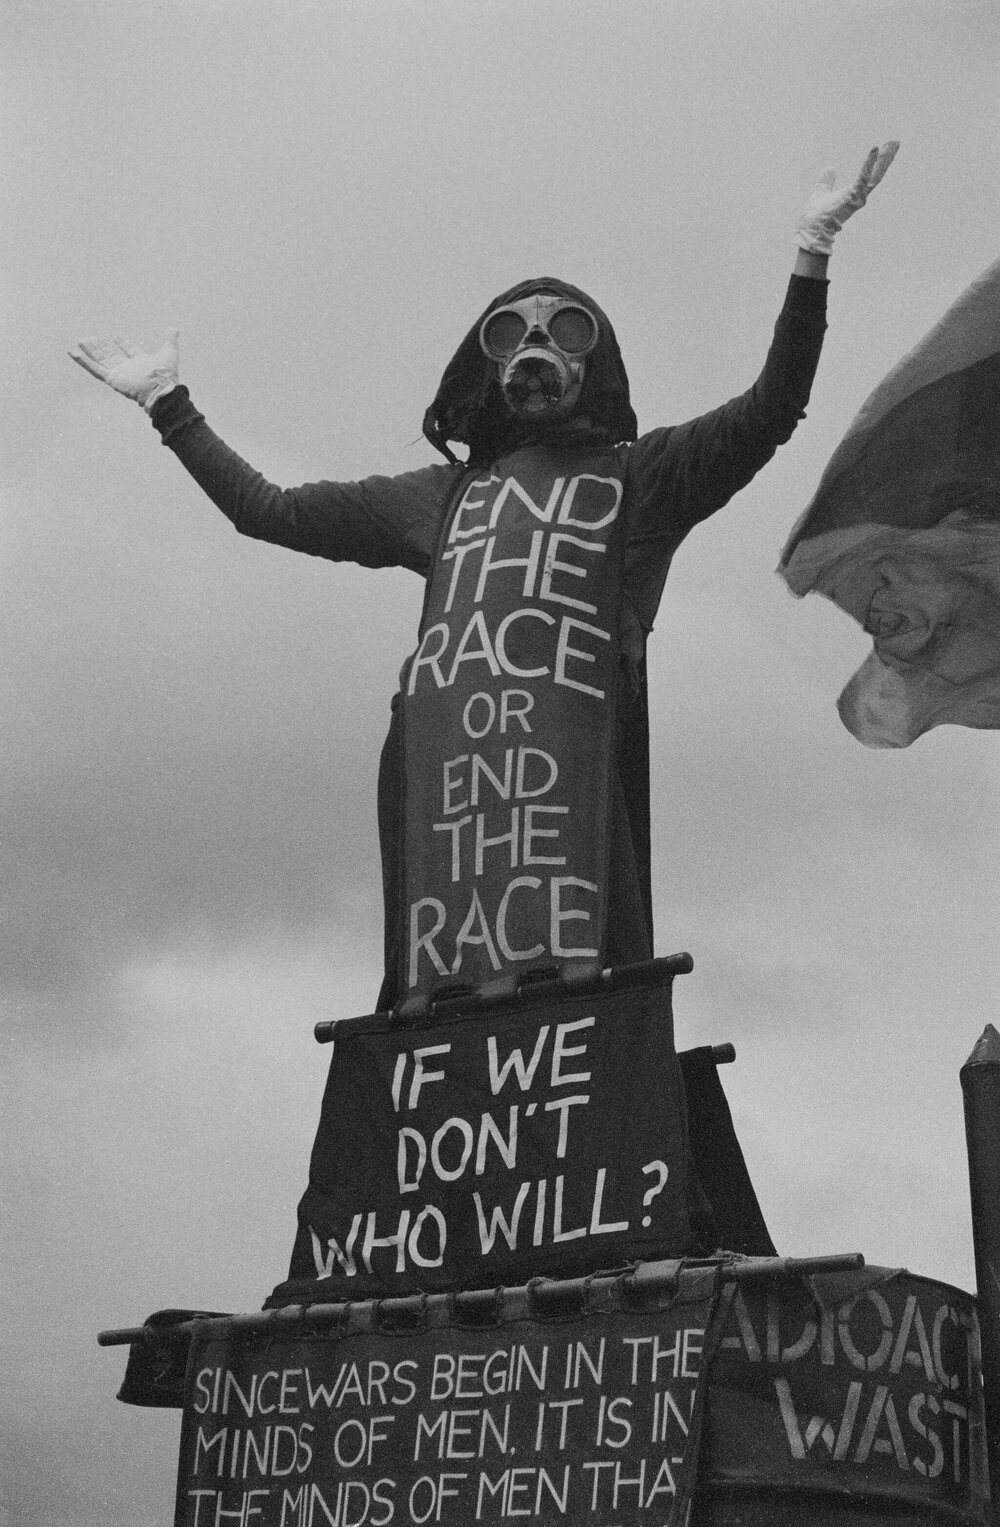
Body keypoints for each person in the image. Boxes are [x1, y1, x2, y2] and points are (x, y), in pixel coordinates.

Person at [71, 145, 897, 1013]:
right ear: (489, 368)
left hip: (568, 799)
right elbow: (268, 510)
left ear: (593, 361)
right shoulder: (442, 497)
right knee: (438, 1002)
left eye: (564, 328)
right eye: (512, 332)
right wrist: (170, 405)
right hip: (445, 803)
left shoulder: (638, 480)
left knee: (582, 989)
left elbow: (771, 411)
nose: (536, 346)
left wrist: (812, 255)